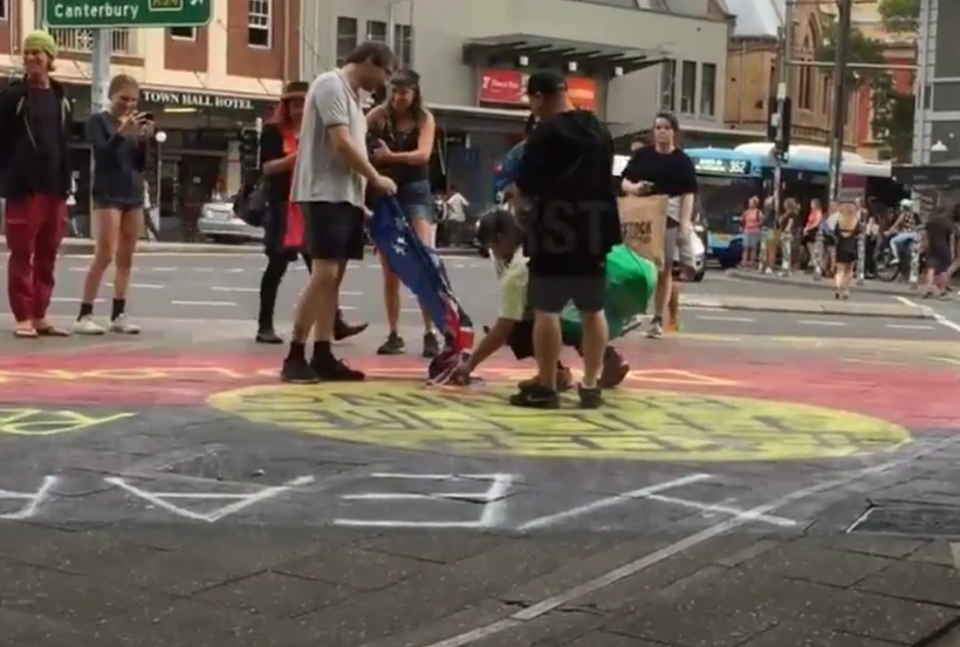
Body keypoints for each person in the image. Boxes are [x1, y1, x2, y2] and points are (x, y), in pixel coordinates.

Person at [281, 41, 398, 383]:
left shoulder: (353, 97)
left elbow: (351, 149)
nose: (384, 82)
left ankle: (323, 352)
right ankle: (295, 354)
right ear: (370, 61)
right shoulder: (331, 84)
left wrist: (360, 201)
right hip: (323, 194)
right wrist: (375, 177)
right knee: (325, 274)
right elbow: (342, 144)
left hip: (344, 197)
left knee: (335, 280)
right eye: (385, 73)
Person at [511, 70, 622, 408]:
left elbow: (526, 185)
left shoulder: (544, 133)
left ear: (540, 97)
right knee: (593, 309)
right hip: (593, 230)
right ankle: (590, 386)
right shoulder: (600, 130)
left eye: (532, 102)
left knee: (546, 309)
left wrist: (520, 210)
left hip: (553, 230)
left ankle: (547, 386)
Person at [456, 208, 629, 388]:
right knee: (567, 310)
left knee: (521, 327)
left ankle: (553, 375)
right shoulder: (537, 242)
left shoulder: (518, 269)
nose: (495, 255)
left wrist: (470, 365)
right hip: (601, 310)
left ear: (500, 239)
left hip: (575, 316)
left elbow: (505, 326)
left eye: (492, 248)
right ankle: (607, 362)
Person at [256, 81, 368, 344]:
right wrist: (292, 159)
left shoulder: (318, 129)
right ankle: (265, 325)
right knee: (277, 265)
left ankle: (334, 322)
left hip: (311, 203)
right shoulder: (274, 132)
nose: (297, 110)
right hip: (284, 206)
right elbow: (266, 168)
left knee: (321, 268)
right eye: (292, 104)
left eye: (302, 104)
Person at [0, 31, 73, 338]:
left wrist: (67, 181)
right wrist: (9, 177)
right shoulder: (13, 96)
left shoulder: (61, 96)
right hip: (23, 189)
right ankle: (23, 316)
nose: (31, 58)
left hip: (54, 187)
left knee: (48, 253)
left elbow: (64, 141)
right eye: (27, 53)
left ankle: (41, 314)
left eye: (37, 53)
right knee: (21, 253)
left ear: (50, 59)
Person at [367, 70, 441, 358]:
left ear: (415, 93)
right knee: (390, 268)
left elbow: (423, 155)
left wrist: (390, 157)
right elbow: (361, 146)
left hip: (415, 190)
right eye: (394, 91)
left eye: (405, 92)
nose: (398, 98)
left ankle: (429, 331)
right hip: (385, 191)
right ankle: (394, 333)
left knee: (423, 260)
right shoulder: (377, 116)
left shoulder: (424, 118)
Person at [73, 74, 152, 335]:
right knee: (105, 253)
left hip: (133, 192)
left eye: (133, 100)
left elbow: (140, 165)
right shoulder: (98, 121)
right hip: (108, 193)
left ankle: (119, 313)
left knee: (126, 258)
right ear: (111, 97)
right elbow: (103, 154)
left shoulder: (133, 124)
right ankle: (85, 313)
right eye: (123, 99)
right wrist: (121, 132)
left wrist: (144, 140)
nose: (128, 105)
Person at [620, 111, 697, 339]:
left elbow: (688, 193)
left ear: (674, 131)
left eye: (665, 127)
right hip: (642, 214)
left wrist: (685, 223)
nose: (661, 132)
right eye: (657, 127)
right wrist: (635, 189)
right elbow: (625, 181)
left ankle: (657, 318)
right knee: (635, 266)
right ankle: (630, 314)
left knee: (663, 268)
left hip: (669, 216)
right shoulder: (642, 155)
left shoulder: (682, 160)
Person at [923, 208, 954, 299]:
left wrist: (925, 243)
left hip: (932, 247)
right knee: (943, 270)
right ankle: (942, 291)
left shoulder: (931, 222)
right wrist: (951, 252)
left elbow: (925, 233)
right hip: (943, 248)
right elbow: (951, 239)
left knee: (931, 269)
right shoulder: (947, 223)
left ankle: (928, 289)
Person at [832, 202, 860, 299]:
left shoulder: (839, 221)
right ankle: (846, 290)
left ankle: (837, 287)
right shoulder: (856, 221)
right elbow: (859, 234)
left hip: (841, 246)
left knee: (840, 270)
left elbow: (835, 234)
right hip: (852, 246)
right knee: (849, 271)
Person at [740, 196, 761, 269]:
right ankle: (744, 262)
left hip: (755, 231)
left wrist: (755, 224)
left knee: (753, 248)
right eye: (749, 203)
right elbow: (742, 220)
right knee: (745, 247)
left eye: (751, 203)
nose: (749, 204)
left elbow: (761, 221)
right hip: (746, 230)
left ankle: (752, 262)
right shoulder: (746, 212)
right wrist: (742, 223)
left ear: (755, 204)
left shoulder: (758, 212)